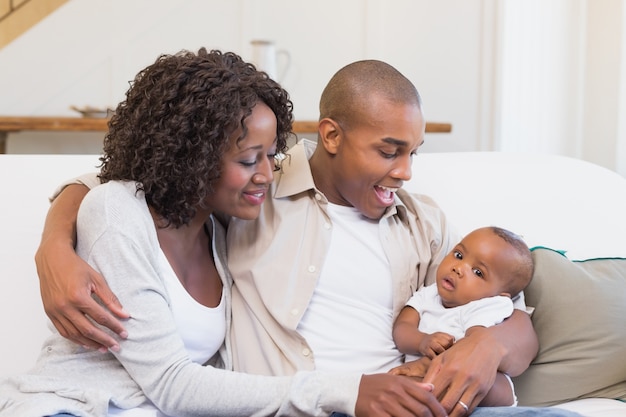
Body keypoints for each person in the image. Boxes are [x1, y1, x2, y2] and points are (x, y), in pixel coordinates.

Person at [33, 57, 583, 417]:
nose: (406, 171)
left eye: (415, 153)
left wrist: (487, 346)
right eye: (390, 151)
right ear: (332, 136)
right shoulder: (251, 201)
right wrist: (55, 246)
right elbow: (120, 187)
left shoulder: (424, 223)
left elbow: (501, 306)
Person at [0, 49, 443, 417]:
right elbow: (172, 383)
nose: (269, 175)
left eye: (272, 156)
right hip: (73, 407)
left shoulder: (220, 231)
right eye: (251, 160)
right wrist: (54, 245)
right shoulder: (121, 212)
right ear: (191, 157)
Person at [391, 226, 535, 408]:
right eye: (459, 255)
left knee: (497, 386)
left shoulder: (487, 305)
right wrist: (422, 341)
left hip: (479, 387)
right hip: (430, 382)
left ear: (499, 295)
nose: (458, 268)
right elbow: (402, 328)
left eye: (478, 272)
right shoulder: (428, 294)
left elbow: (474, 343)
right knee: (404, 385)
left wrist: (432, 362)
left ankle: (429, 372)